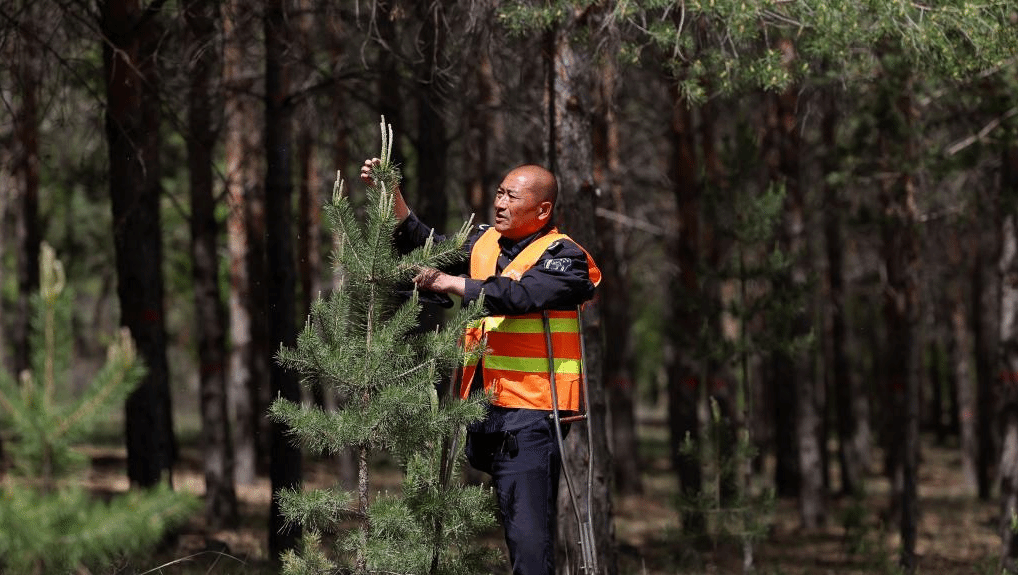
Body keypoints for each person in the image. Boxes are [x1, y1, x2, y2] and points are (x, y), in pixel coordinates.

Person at [360, 158, 600, 575]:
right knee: (494, 525)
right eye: (499, 193)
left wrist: (450, 283)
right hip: (481, 410)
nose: (500, 203)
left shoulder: (566, 258)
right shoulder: (484, 244)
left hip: (533, 415)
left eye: (512, 196)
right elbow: (426, 244)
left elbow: (520, 296)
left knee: (527, 540)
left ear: (542, 210)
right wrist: (393, 194)